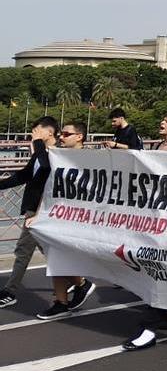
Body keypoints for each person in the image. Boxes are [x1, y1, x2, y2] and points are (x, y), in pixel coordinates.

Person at [35, 121, 98, 319]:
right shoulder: (60, 155)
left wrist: (38, 143)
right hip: (59, 214)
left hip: (79, 218)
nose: (61, 137)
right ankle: (64, 300)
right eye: (61, 134)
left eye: (66, 134)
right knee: (56, 256)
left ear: (79, 137)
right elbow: (48, 184)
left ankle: (77, 287)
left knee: (59, 257)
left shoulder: (90, 159)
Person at [0, 117, 58, 309]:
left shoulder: (58, 153)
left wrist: (38, 143)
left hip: (44, 210)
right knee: (48, 250)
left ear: (49, 132)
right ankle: (79, 281)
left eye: (37, 131)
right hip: (33, 208)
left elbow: (46, 167)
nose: (33, 135)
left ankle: (10, 291)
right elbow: (23, 175)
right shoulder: (40, 153)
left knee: (23, 250)